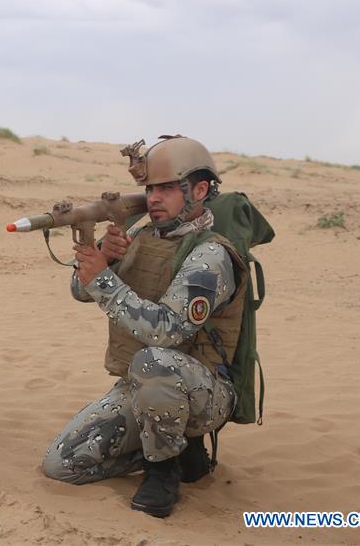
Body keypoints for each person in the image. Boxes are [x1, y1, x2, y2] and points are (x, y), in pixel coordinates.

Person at [41, 135, 248, 518]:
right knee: (61, 465)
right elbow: (80, 290)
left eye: (168, 188)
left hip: (205, 392)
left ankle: (162, 469)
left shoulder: (211, 255)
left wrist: (105, 279)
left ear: (200, 190)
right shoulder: (139, 234)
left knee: (155, 359)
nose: (154, 197)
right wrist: (105, 258)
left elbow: (167, 331)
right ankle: (181, 451)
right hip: (145, 385)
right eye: (151, 188)